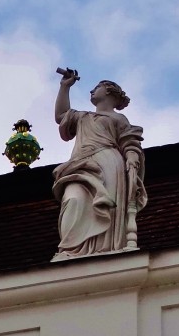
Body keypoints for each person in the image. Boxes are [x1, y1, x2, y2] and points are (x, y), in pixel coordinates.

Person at [52, 71, 146, 260]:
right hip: (80, 165)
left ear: (109, 91)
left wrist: (132, 157)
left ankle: (106, 247)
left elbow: (129, 143)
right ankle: (70, 250)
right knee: (73, 199)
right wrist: (65, 86)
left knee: (107, 206)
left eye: (97, 88)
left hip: (108, 163)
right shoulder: (82, 117)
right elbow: (61, 116)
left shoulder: (118, 119)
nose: (92, 91)